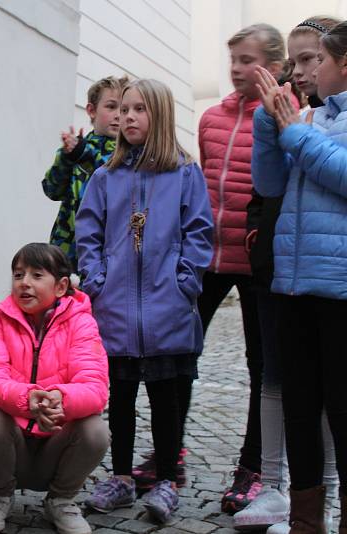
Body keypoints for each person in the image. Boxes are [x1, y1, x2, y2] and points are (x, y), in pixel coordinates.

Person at [168, 24, 292, 513]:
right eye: (234, 60)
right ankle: (168, 450)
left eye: (248, 60)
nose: (237, 69)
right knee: (179, 356)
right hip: (207, 259)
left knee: (263, 369)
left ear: (275, 67)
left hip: (259, 261)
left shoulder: (285, 115)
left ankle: (253, 466)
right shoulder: (210, 118)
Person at [78, 79, 213, 524]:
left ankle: (166, 482)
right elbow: (89, 234)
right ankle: (119, 476)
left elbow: (198, 231)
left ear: (160, 117)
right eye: (124, 110)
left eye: (139, 109)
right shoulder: (105, 177)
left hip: (167, 309)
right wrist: (96, 281)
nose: (128, 117)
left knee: (165, 398)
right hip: (115, 308)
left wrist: (185, 282)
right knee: (120, 398)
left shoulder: (184, 174)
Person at [234, 16, 341, 534]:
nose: (301, 72)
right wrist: (268, 126)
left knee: (341, 410)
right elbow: (270, 184)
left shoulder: (312, 126)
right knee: (299, 408)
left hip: (340, 292)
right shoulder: (307, 119)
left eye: (312, 60)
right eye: (296, 62)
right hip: (293, 285)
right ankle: (305, 521)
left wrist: (294, 131)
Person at [0, 243, 109, 534]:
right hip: (14, 441)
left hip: (58, 439)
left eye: (37, 275)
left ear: (61, 286)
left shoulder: (82, 323)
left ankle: (61, 500)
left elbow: (95, 386)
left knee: (96, 431)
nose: (24, 283)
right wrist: (27, 400)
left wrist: (61, 399)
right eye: (19, 274)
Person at [42, 75, 127, 270]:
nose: (118, 116)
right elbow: (52, 190)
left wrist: (84, 154)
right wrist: (65, 157)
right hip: (66, 252)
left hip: (106, 254)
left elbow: (113, 177)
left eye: (123, 110)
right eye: (111, 106)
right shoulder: (77, 148)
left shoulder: (127, 153)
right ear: (91, 110)